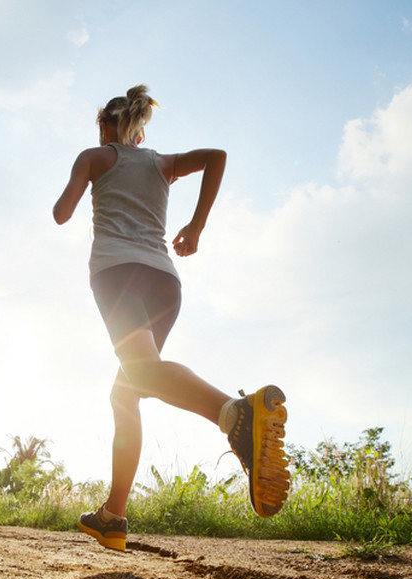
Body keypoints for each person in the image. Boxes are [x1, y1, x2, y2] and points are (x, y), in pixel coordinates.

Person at [52, 85, 291, 552]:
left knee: (140, 374)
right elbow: (216, 157)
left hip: (117, 273)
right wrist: (196, 226)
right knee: (127, 391)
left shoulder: (94, 156)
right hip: (164, 280)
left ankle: (235, 414)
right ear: (139, 133)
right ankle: (113, 516)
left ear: (106, 128)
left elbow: (62, 214)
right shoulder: (161, 163)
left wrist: (84, 177)